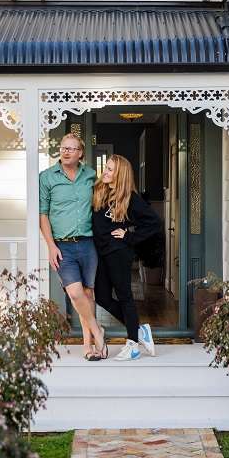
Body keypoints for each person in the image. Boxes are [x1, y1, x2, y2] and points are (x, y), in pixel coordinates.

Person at [39, 133, 106, 360]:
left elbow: (106, 201)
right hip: (62, 246)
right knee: (76, 294)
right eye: (63, 147)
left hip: (87, 243)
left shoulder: (91, 176)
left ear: (80, 153)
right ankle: (98, 331)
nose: (65, 151)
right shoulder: (47, 177)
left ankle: (89, 346)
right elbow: (43, 215)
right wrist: (50, 245)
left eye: (71, 148)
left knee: (88, 294)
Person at [92, 154, 161, 361]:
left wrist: (129, 236)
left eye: (111, 169)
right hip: (101, 253)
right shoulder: (99, 192)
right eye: (106, 167)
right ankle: (140, 331)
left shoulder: (131, 198)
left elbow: (154, 223)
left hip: (118, 252)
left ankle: (133, 345)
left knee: (125, 296)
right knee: (102, 297)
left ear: (120, 174)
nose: (105, 171)